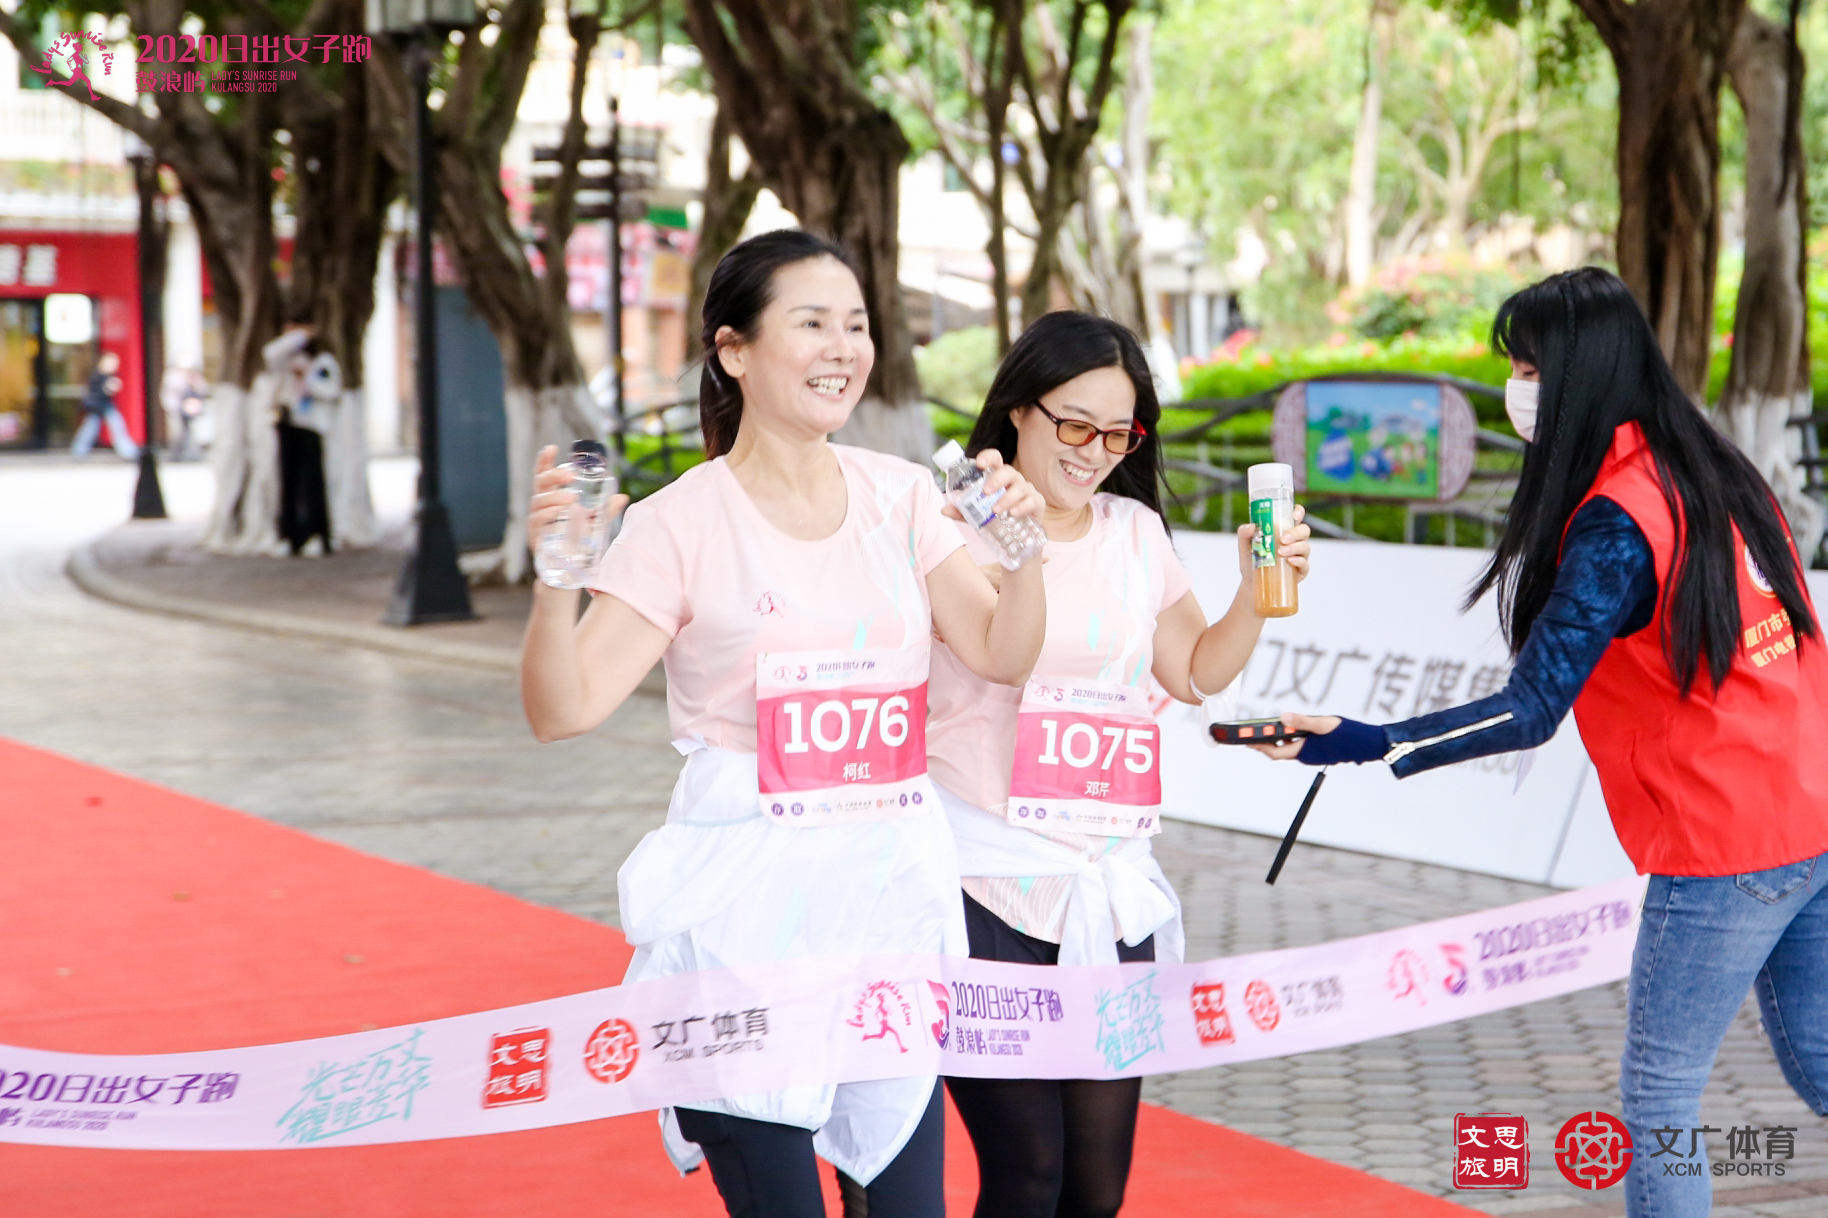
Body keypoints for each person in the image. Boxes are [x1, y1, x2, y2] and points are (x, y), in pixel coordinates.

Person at [1253, 267, 1828, 1218]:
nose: (1517, 388)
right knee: (1819, 1065)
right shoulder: (1717, 470)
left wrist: (1368, 741)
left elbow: (1529, 709)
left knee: (1661, 1098)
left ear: (1580, 375)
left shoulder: (1621, 519)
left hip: (1728, 843)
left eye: (1529, 368)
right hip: (1810, 814)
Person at [520, 229, 1049, 1218]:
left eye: (856, 325)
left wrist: (1023, 557)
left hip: (886, 911)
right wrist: (558, 581)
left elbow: (1000, 652)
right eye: (811, 324)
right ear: (733, 350)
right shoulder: (678, 521)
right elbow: (564, 709)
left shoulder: (903, 496)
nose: (843, 349)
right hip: (743, 926)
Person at [925, 311, 1312, 1218]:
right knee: (1027, 1176)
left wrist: (1258, 594)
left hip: (1111, 886)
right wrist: (1020, 549)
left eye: (1117, 434)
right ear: (1018, 409)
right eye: (1074, 424)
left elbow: (1195, 671)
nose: (1094, 452)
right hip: (984, 881)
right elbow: (1002, 658)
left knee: (1097, 1190)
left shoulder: (1133, 529)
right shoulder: (951, 524)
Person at [71, 350, 139, 461]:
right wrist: (108, 388)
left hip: (104, 406)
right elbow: (98, 391)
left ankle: (79, 451)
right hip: (99, 406)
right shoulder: (98, 375)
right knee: (102, 428)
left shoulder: (109, 375)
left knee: (108, 428)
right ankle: (79, 451)